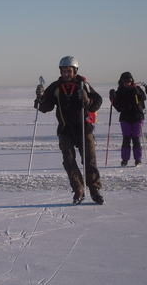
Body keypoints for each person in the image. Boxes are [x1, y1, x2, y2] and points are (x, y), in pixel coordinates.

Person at [35, 56, 104, 205]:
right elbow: (45, 107)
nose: (66, 74)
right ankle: (78, 189)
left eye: (69, 71)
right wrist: (39, 98)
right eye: (64, 71)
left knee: (89, 160)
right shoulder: (56, 87)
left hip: (83, 128)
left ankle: (94, 189)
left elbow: (97, 102)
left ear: (75, 71)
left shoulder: (83, 85)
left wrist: (87, 100)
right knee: (68, 160)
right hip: (65, 129)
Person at [110, 72, 146, 167]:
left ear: (131, 81)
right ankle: (125, 159)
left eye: (128, 81)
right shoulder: (119, 92)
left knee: (136, 138)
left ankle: (138, 159)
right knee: (126, 139)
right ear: (121, 82)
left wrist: (137, 92)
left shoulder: (136, 89)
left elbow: (143, 98)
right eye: (124, 81)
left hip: (137, 117)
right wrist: (112, 98)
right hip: (125, 117)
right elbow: (118, 107)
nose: (126, 83)